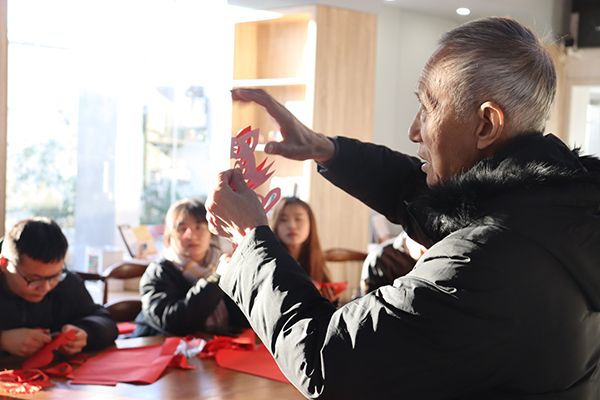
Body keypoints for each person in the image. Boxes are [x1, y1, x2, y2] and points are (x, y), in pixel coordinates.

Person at [206, 17, 600, 398]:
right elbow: (428, 199)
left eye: (428, 107)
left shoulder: (485, 264)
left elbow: (327, 360)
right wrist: (325, 149)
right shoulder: (550, 210)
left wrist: (250, 240)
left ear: (486, 125)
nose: (414, 130)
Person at [0, 218, 118, 357]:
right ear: (4, 263)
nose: (45, 287)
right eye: (34, 279)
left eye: (54, 277)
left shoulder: (66, 282)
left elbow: (106, 322)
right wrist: (3, 340)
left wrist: (85, 333)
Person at [133, 198, 248, 337]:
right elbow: (173, 322)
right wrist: (216, 279)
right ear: (170, 235)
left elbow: (246, 317)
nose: (191, 235)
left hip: (215, 344)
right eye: (182, 229)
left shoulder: (224, 263)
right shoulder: (158, 272)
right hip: (161, 345)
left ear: (211, 232)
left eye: (199, 227)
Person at [270, 197, 339, 302]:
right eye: (283, 220)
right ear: (275, 225)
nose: (292, 225)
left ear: (311, 224)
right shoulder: (270, 261)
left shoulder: (315, 260)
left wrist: (326, 302)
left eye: (298, 219)